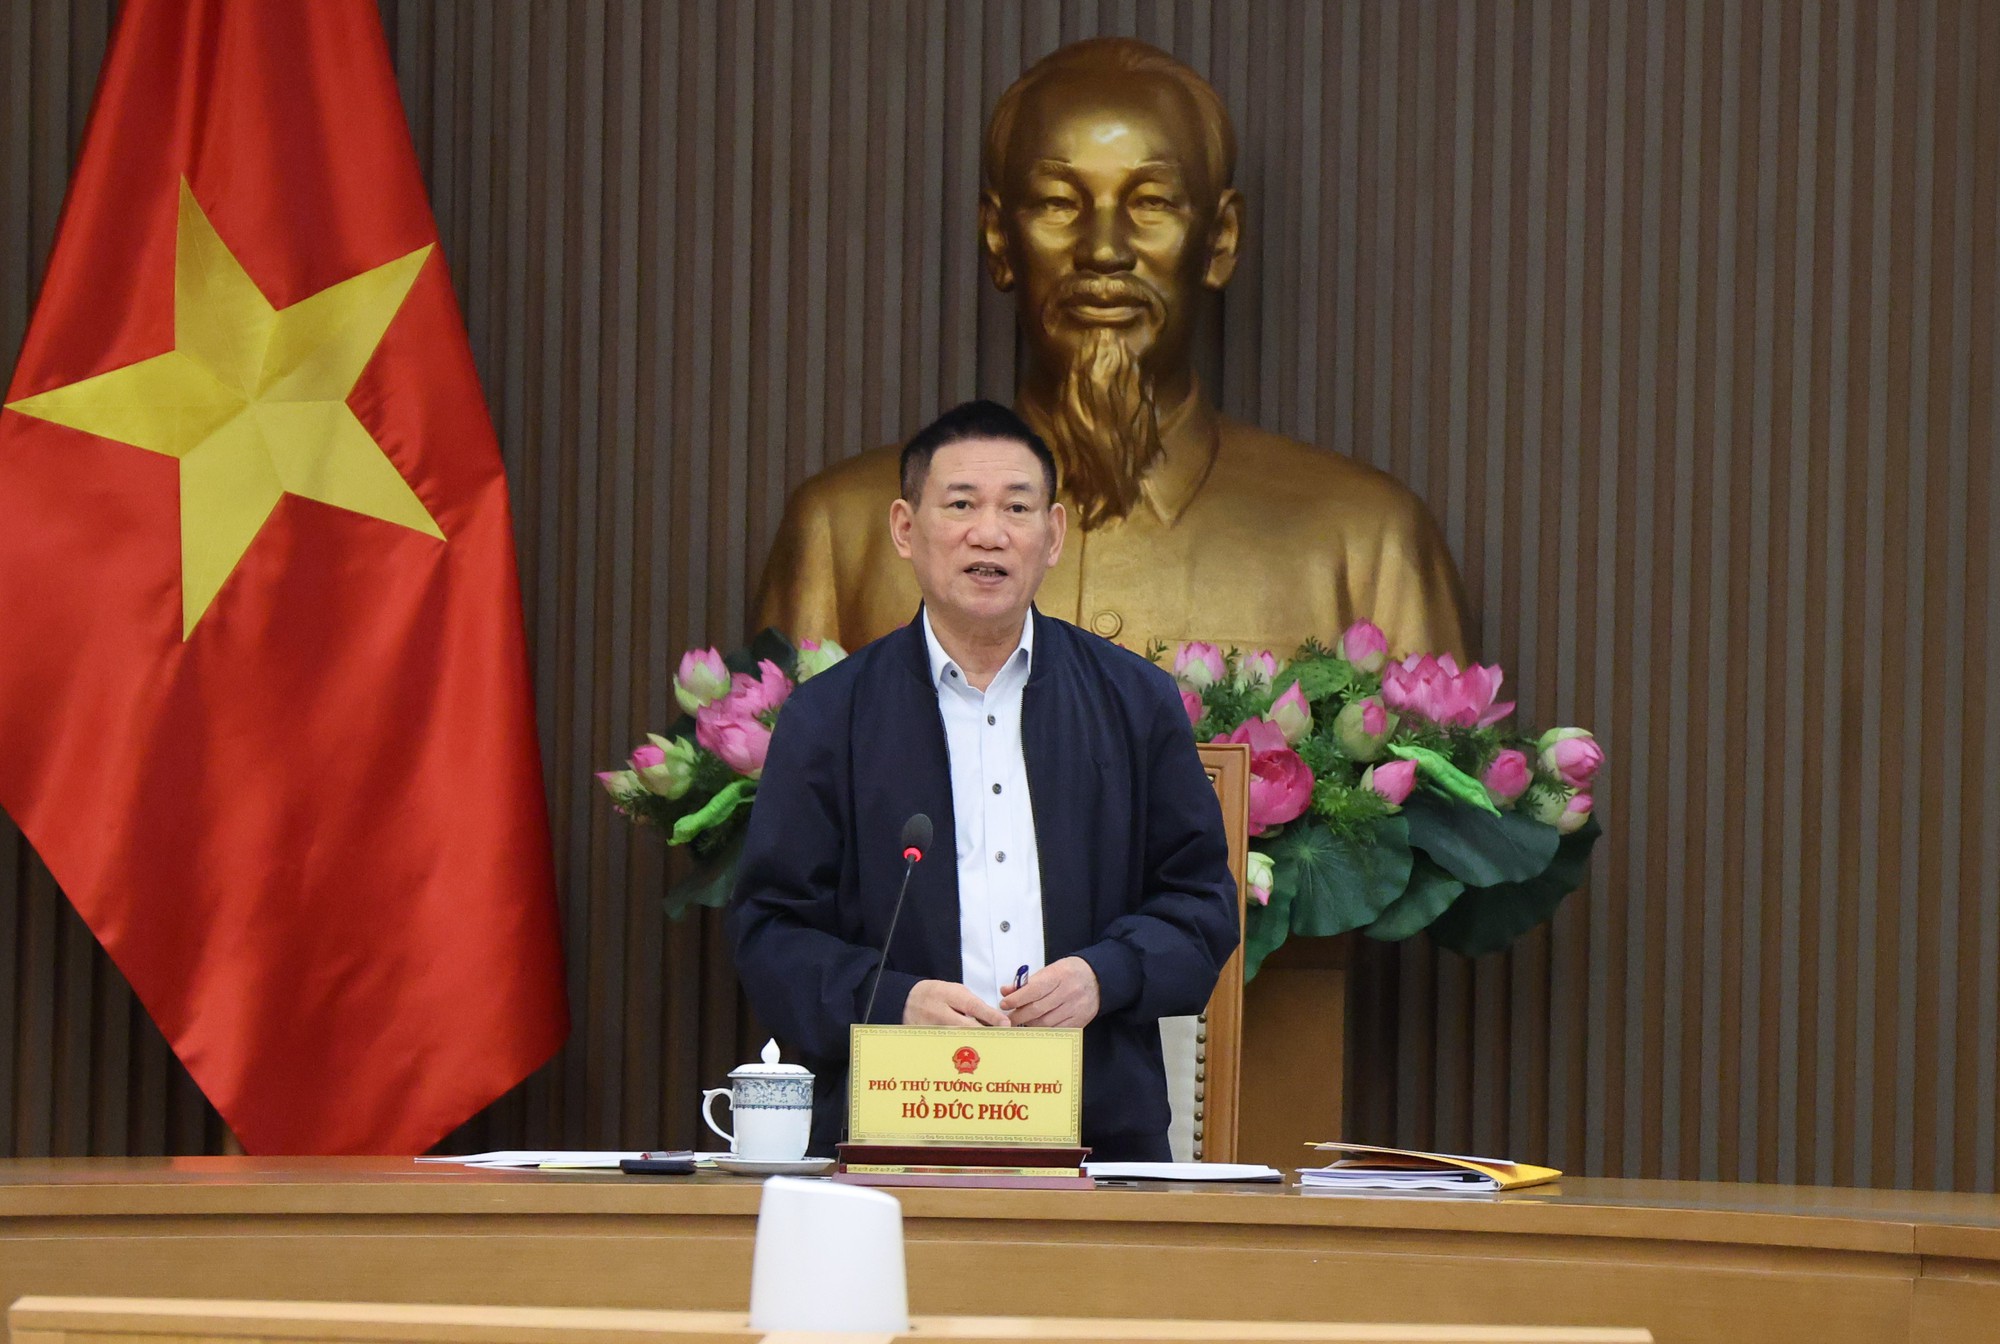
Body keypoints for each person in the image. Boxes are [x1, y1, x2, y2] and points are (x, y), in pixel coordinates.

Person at [756, 36, 1468, 662]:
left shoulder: (1370, 547)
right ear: (999, 239)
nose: (1103, 250)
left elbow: (1445, 777)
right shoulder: (845, 534)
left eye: (1151, 203)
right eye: (1058, 203)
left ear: (1220, 240)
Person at [726, 399, 1239, 1161]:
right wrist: (895, 1002)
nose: (989, 533)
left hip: (1096, 1134)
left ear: (1053, 535)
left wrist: (1104, 976)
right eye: (961, 504)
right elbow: (770, 931)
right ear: (906, 528)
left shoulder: (1134, 702)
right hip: (889, 1130)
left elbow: (1201, 905)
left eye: (1016, 508)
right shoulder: (830, 716)